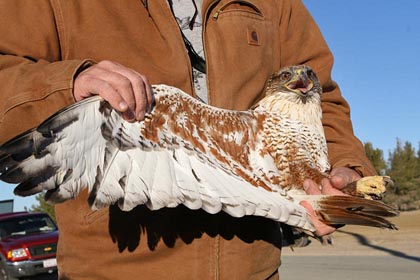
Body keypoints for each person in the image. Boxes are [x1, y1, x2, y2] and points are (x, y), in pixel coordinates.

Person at [0, 1, 376, 279]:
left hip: (255, 269)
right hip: (118, 268)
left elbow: (318, 97)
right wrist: (70, 84)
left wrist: (342, 170)